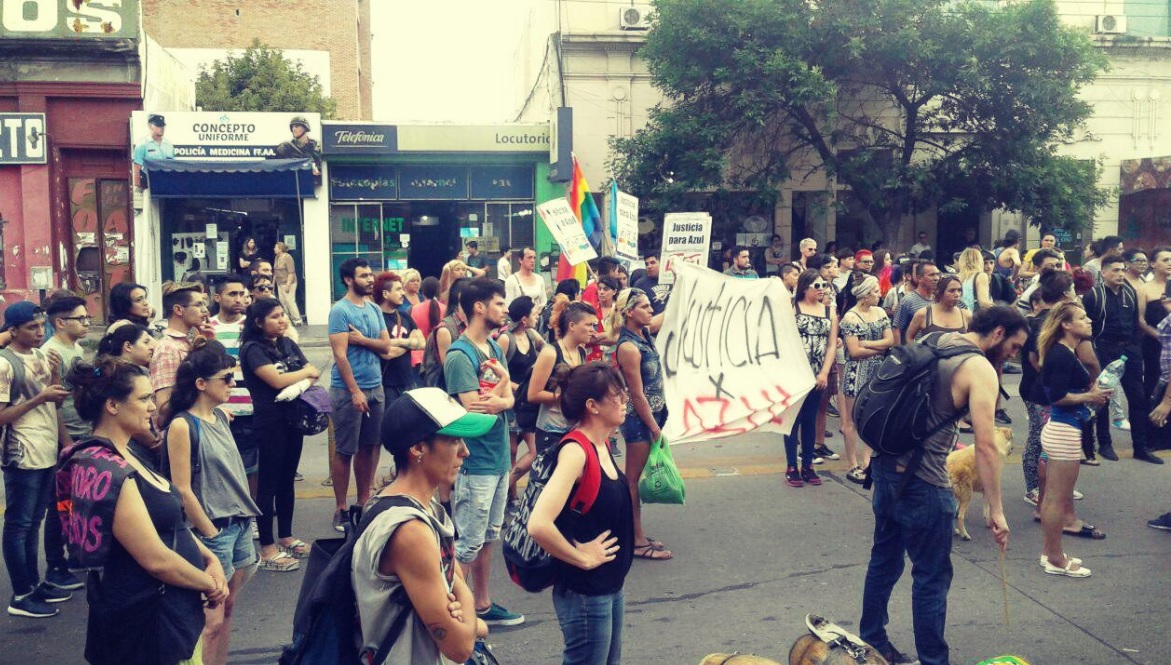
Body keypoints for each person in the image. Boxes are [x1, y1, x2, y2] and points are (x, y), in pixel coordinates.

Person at [860, 305, 1025, 665]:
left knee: (884, 561)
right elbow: (985, 444)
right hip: (925, 481)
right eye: (1014, 346)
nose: (1015, 355)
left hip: (885, 468)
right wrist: (995, 509)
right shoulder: (978, 367)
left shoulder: (935, 339)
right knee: (931, 578)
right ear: (997, 333)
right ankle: (934, 660)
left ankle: (871, 641)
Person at [60, 358, 228, 662]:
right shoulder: (107, 468)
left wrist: (209, 556)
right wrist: (211, 584)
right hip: (146, 622)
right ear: (113, 405)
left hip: (165, 612)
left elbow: (167, 524)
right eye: (143, 398)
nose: (153, 406)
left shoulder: (125, 453)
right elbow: (155, 559)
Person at [356, 388, 493, 664]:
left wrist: (458, 599)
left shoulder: (416, 506)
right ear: (418, 448)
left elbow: (451, 578)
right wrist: (476, 623)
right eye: (454, 441)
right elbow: (459, 646)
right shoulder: (410, 530)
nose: (465, 452)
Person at [161, 339, 262, 664]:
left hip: (239, 523)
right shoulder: (181, 425)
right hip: (213, 532)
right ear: (201, 384)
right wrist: (211, 533)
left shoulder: (219, 417)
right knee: (210, 621)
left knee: (228, 609)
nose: (233, 384)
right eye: (227, 379)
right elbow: (182, 489)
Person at [528, 363, 635, 665]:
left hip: (609, 586)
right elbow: (538, 524)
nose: (625, 400)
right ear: (593, 406)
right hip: (587, 593)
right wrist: (581, 556)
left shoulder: (602, 445)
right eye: (617, 395)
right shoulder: (576, 451)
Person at [443, 278, 523, 626]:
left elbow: (505, 400)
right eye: (500, 303)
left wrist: (502, 398)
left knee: (490, 536)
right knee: (468, 543)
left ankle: (482, 604)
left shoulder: (494, 347)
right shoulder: (461, 354)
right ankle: (452, 614)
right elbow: (474, 413)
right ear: (479, 307)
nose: (506, 310)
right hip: (475, 463)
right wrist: (503, 398)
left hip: (499, 459)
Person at [0, 302, 76, 618]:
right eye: (31, 327)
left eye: (40, 325)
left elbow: (52, 404)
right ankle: (21, 594)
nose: (39, 331)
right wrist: (40, 398)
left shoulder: (42, 356)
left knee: (34, 523)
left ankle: (34, 584)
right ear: (13, 330)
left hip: (46, 450)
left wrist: (65, 441)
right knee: (19, 525)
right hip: (22, 453)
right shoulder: (4, 365)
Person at [240, 298, 321, 569]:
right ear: (258, 322)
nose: (282, 320)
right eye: (274, 316)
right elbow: (276, 381)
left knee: (287, 480)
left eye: (282, 314)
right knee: (268, 484)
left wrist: (303, 374)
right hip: (270, 421)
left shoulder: (287, 343)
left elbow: (312, 373)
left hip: (293, 419)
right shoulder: (252, 349)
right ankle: (267, 548)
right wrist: (304, 374)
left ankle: (286, 537)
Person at [1037, 302, 1112, 578]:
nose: (1089, 320)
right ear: (1065, 325)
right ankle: (1055, 558)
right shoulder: (1061, 354)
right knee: (1057, 498)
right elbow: (1056, 396)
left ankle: (1051, 552)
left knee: (1054, 497)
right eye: (1082, 317)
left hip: (1064, 429)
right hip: (1063, 431)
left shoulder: (1064, 351)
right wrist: (1090, 397)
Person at [328, 258, 393, 531]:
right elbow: (340, 355)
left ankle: (363, 501)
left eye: (370, 274)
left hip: (376, 386)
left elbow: (386, 346)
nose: (370, 279)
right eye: (364, 275)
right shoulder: (339, 311)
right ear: (348, 280)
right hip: (347, 390)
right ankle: (341, 508)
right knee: (345, 450)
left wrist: (363, 340)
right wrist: (354, 391)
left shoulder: (374, 309)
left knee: (370, 446)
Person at [1082, 255, 1163, 464]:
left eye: (1122, 270)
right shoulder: (1093, 296)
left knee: (1137, 398)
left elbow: (1137, 323)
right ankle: (1105, 444)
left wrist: (1135, 348)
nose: (1120, 274)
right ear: (1103, 273)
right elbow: (1087, 329)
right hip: (1103, 349)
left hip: (1129, 350)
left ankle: (1140, 447)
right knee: (1103, 397)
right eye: (1115, 270)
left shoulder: (1130, 292)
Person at [612, 288, 672, 560]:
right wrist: (655, 428)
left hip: (653, 416)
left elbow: (666, 315)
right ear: (629, 312)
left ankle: (636, 533)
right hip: (639, 420)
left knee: (637, 479)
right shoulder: (628, 347)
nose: (650, 310)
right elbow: (636, 394)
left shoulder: (644, 333)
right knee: (633, 481)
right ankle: (635, 540)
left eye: (650, 306)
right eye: (645, 306)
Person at [207, 276, 261, 507]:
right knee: (219, 465)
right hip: (217, 411)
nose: (239, 299)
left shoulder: (253, 326)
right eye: (232, 294)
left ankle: (250, 511)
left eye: (242, 294)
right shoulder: (208, 328)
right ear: (217, 297)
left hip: (249, 408)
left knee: (251, 466)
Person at [785, 271, 837, 488]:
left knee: (809, 419)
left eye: (823, 284)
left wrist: (824, 372)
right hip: (794, 373)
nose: (821, 288)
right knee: (792, 421)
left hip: (818, 374)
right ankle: (791, 466)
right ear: (805, 286)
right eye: (816, 284)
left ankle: (808, 465)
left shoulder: (830, 311)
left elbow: (832, 344)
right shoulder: (792, 308)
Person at [839, 275, 892, 483]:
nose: (879, 295)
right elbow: (853, 352)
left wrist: (867, 344)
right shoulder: (851, 317)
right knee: (851, 420)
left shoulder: (879, 312)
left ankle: (867, 460)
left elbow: (890, 341)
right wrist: (878, 348)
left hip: (877, 372)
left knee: (872, 418)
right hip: (856, 373)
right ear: (865, 295)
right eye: (876, 292)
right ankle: (852, 463)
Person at [529, 299, 594, 454]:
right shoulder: (550, 353)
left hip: (575, 428)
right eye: (589, 325)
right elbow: (533, 394)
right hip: (551, 431)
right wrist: (566, 396)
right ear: (572, 326)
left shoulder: (581, 352)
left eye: (594, 325)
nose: (593, 330)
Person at [498, 296, 544, 503]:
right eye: (534, 313)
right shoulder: (505, 339)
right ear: (524, 319)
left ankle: (503, 490)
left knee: (535, 451)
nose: (537, 317)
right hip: (510, 403)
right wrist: (521, 388)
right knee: (512, 452)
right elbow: (494, 374)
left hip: (528, 405)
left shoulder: (533, 336)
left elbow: (550, 353)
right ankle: (511, 497)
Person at [150, 282, 213, 416]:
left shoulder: (189, 342)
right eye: (198, 305)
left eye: (204, 304)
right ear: (179, 310)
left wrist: (210, 341)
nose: (206, 310)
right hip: (180, 431)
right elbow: (163, 407)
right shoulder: (168, 348)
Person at [42, 294, 92, 441]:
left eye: (87, 317)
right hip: (67, 434)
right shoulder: (49, 353)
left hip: (83, 428)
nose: (87, 323)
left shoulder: (77, 347)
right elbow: (51, 406)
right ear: (60, 323)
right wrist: (66, 441)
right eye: (80, 319)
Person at [374, 272, 425, 402]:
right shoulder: (376, 318)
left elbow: (422, 343)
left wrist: (395, 341)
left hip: (408, 382)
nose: (402, 293)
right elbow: (387, 353)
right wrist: (410, 344)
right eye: (398, 289)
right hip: (387, 385)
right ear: (385, 294)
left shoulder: (404, 316)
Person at [1140, 247, 1171, 402]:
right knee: (1154, 381)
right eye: (1165, 260)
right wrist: (1161, 336)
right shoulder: (1144, 288)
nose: (1170, 263)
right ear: (1153, 264)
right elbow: (1140, 320)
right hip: (1154, 343)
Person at [905, 274, 971, 342]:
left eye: (959, 290)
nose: (957, 294)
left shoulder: (966, 315)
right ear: (940, 292)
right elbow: (909, 336)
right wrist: (915, 351)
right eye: (952, 291)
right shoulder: (923, 314)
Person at [893, 261, 941, 344]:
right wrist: (900, 352)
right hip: (915, 352)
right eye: (931, 275)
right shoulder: (908, 300)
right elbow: (896, 329)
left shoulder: (939, 300)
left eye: (937, 274)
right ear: (919, 278)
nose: (936, 278)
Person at [131, 113, 174, 189]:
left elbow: (172, 166)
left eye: (162, 126)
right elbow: (137, 167)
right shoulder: (142, 144)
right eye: (158, 126)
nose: (161, 128)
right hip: (148, 184)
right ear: (150, 126)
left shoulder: (169, 145)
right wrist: (137, 186)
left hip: (166, 184)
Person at [273, 242, 304, 327]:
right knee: (283, 302)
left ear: (280, 249)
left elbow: (291, 272)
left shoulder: (288, 257)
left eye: (275, 247)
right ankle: (287, 319)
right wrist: (273, 283)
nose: (274, 249)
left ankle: (297, 320)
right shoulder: (277, 257)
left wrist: (288, 284)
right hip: (280, 283)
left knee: (290, 301)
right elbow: (275, 271)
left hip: (288, 282)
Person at [955, 248, 993, 313]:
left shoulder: (956, 277)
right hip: (974, 319)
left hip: (960, 317)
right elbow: (984, 303)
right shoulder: (981, 276)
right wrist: (1000, 311)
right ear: (979, 260)